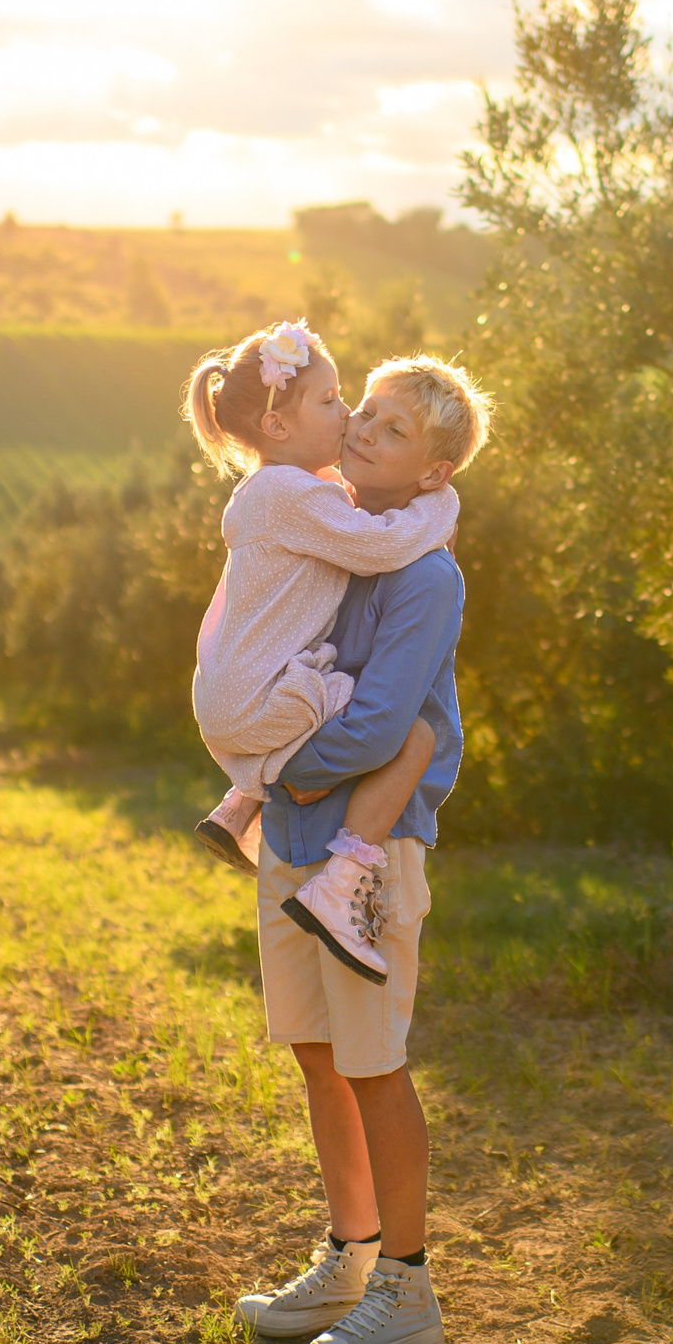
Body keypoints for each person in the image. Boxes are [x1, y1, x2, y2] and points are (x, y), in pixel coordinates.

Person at [230, 354, 490, 1344]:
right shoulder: (338, 535)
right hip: (292, 844)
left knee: (375, 1064)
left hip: (365, 849)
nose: (364, 430)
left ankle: (408, 1284)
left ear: (432, 476)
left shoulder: (427, 573)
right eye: (365, 413)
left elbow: (386, 720)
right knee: (315, 1050)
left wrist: (283, 766)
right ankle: (348, 1254)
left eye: (390, 429)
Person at [182, 321, 456, 981]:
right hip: (254, 696)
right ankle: (268, 803)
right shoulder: (292, 493)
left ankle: (239, 799)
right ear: (278, 427)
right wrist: (439, 505)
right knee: (378, 716)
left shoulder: (279, 488)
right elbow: (382, 543)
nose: (348, 417)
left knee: (326, 686)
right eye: (334, 401)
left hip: (232, 692)